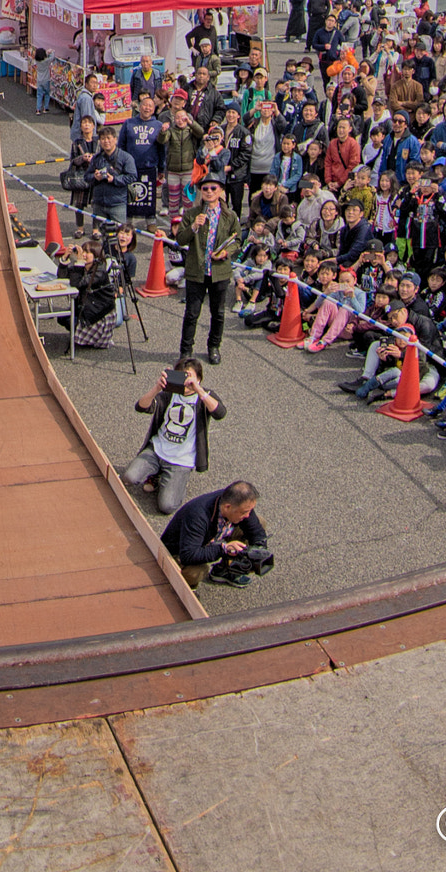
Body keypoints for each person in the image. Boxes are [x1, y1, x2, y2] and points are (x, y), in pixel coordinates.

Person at [123, 359, 223, 516]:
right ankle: (156, 473)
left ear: (199, 379)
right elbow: (141, 407)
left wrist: (199, 390)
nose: (186, 382)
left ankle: (169, 479)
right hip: (158, 450)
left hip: (181, 460)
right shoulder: (169, 394)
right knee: (129, 477)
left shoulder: (204, 397)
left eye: (189, 376)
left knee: (167, 506)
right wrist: (157, 388)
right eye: (181, 376)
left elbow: (220, 413)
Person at [159, 479, 272, 590]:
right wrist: (223, 549)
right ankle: (187, 589)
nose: (248, 515)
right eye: (244, 512)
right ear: (227, 507)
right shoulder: (198, 516)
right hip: (179, 552)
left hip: (211, 538)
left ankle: (224, 571)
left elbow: (256, 531)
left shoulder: (237, 502)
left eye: (250, 511)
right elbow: (189, 555)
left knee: (260, 522)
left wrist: (259, 550)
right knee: (197, 572)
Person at [174, 179, 240, 366]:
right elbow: (180, 239)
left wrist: (227, 252)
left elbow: (237, 240)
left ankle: (214, 347)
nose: (209, 192)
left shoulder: (230, 215)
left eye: (213, 188)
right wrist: (194, 226)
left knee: (218, 312)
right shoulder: (192, 214)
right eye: (205, 189)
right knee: (192, 313)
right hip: (197, 271)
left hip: (220, 272)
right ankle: (186, 351)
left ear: (220, 191)